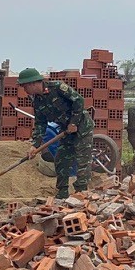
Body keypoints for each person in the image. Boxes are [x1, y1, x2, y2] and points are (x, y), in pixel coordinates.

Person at [17, 67, 94, 199]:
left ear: (33, 83)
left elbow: (78, 100)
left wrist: (74, 123)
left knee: (82, 159)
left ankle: (81, 193)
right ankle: (62, 193)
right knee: (61, 159)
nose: (24, 90)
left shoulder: (58, 87)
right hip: (65, 130)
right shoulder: (37, 101)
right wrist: (35, 145)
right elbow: (40, 123)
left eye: (25, 86)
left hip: (82, 126)